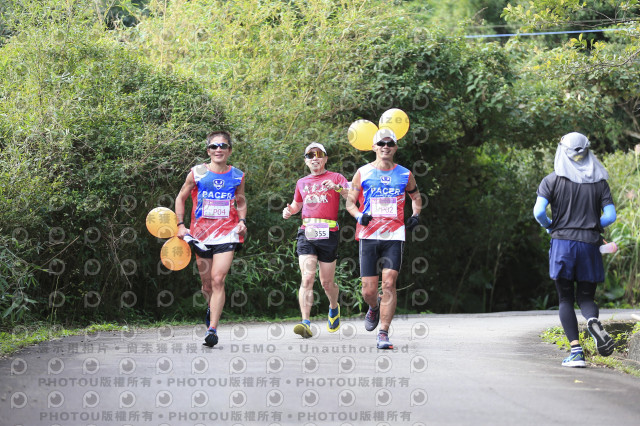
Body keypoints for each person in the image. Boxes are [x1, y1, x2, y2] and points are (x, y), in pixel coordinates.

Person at [533, 132, 617, 367]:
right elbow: (610, 215)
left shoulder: (551, 181)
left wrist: (550, 226)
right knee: (586, 297)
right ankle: (592, 320)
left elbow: (539, 212)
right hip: (590, 245)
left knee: (565, 299)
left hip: (563, 245)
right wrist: (592, 225)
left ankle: (576, 352)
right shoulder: (599, 183)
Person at [346, 128, 422, 349]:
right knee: (368, 291)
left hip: (394, 235)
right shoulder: (362, 172)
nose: (385, 147)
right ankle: (374, 306)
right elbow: (350, 202)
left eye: (389, 143)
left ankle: (383, 333)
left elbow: (416, 196)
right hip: (369, 234)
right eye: (381, 143)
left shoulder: (405, 174)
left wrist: (416, 215)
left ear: (395, 147)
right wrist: (359, 215)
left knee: (389, 283)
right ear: (374, 147)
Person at [175, 131, 247, 348]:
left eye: (223, 146)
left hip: (227, 234)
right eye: (214, 146)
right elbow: (181, 198)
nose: (218, 150)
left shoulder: (237, 175)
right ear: (208, 151)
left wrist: (242, 221)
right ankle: (211, 307)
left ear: (229, 150)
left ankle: (212, 329)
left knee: (218, 280)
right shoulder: (197, 173)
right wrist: (180, 225)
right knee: (207, 285)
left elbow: (241, 200)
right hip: (201, 236)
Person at [283, 142, 350, 338]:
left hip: (329, 232)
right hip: (307, 232)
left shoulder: (336, 177)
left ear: (325, 158)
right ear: (306, 161)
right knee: (307, 277)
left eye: (319, 154)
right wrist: (289, 211)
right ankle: (305, 322)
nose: (315, 158)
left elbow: (352, 196)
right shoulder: (302, 182)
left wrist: (337, 188)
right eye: (310, 155)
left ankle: (333, 306)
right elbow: (297, 205)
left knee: (327, 283)